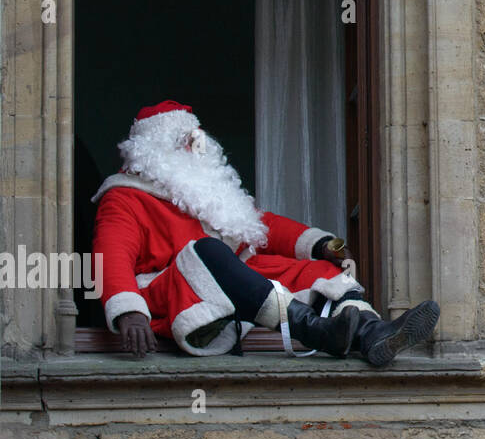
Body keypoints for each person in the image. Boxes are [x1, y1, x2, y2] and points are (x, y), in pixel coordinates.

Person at [92, 100, 439, 364]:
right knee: (210, 251)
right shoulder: (124, 197)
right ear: (155, 151)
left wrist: (328, 243)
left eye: (195, 141)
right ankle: (314, 330)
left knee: (315, 269)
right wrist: (129, 312)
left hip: (230, 285)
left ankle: (373, 333)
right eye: (185, 142)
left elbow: (264, 225)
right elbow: (111, 258)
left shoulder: (204, 191)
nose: (195, 149)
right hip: (171, 295)